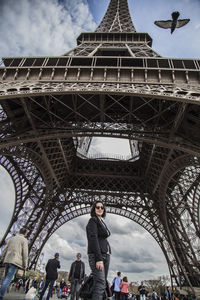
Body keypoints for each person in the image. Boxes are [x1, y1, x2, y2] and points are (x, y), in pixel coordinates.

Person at [86, 200, 111, 300]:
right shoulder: (93, 220)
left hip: (105, 255)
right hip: (98, 255)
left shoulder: (101, 222)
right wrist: (98, 258)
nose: (100, 209)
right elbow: (93, 239)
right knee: (100, 284)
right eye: (97, 207)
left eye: (102, 207)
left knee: (101, 283)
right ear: (94, 209)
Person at [0, 227, 29, 300]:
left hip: (7, 259)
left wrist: (2, 258)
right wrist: (25, 264)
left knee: (5, 278)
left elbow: (5, 249)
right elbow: (25, 253)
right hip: (15, 261)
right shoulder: (24, 240)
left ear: (19, 231)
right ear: (25, 234)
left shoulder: (12, 238)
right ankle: (0, 295)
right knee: (8, 279)